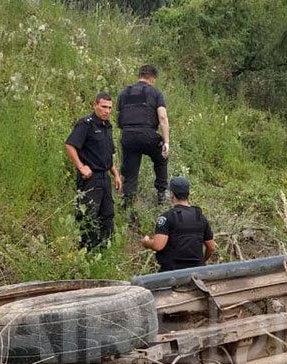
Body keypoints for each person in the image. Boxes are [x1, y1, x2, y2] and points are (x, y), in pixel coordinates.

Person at [64, 93, 123, 250]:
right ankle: (87, 251)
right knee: (88, 216)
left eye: (110, 108)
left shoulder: (107, 127)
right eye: (104, 107)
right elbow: (70, 145)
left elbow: (108, 155)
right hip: (90, 179)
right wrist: (81, 166)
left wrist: (115, 174)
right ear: (95, 105)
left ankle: (105, 250)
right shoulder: (86, 124)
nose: (107, 111)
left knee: (107, 216)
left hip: (105, 178)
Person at [116, 64, 170, 212]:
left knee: (130, 172)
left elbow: (119, 117)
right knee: (161, 158)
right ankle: (161, 194)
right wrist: (166, 142)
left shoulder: (124, 93)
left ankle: (128, 204)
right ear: (152, 78)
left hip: (128, 135)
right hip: (148, 134)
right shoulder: (155, 92)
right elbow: (163, 117)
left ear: (139, 75)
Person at [140, 176, 216, 271]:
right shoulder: (200, 217)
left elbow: (158, 246)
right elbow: (211, 247)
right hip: (197, 272)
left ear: (172, 194)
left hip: (172, 273)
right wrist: (202, 262)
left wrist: (146, 242)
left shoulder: (166, 217)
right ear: (188, 194)